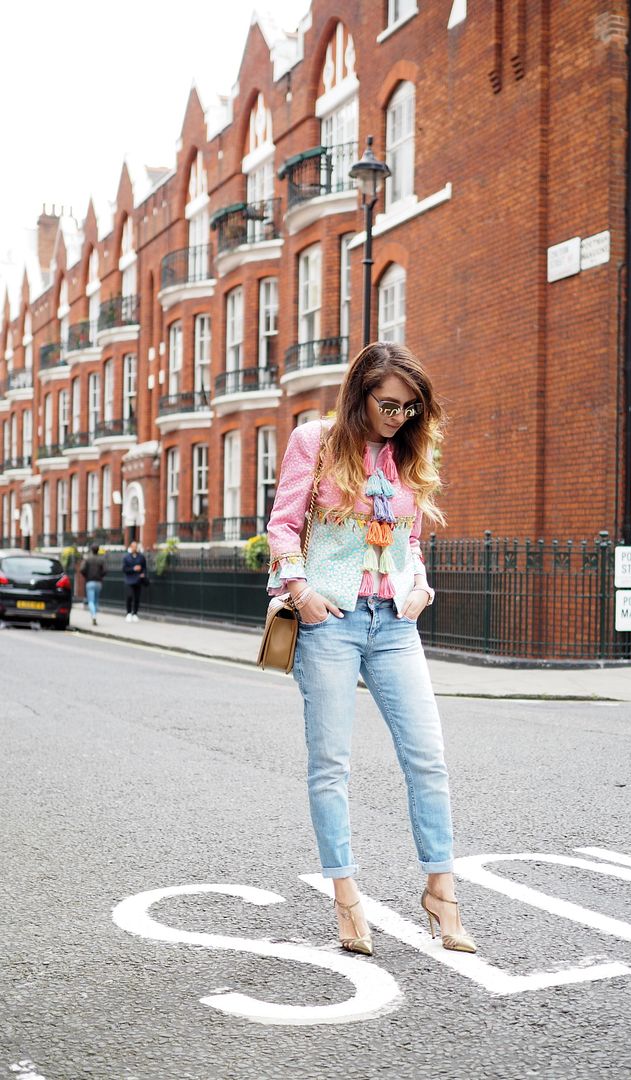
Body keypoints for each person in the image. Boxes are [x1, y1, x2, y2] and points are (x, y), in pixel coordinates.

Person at [266, 341, 476, 957]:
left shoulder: (407, 452)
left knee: (428, 758)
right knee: (332, 765)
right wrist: (299, 590)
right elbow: (283, 523)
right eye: (389, 404)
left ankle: (441, 890)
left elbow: (408, 536)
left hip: (395, 626)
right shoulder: (315, 441)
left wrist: (421, 586)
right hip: (329, 621)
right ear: (360, 393)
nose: (398, 417)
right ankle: (347, 897)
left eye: (411, 409)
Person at [79, 543, 106, 626]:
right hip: (98, 582)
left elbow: (82, 569)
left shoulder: (87, 559)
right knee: (96, 601)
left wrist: (86, 576)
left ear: (91, 550)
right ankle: (95, 614)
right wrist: (100, 576)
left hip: (90, 582)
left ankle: (93, 616)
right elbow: (105, 571)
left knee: (91, 601)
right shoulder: (101, 560)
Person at [122, 539, 147, 622]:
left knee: (137, 597)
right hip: (129, 579)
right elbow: (124, 569)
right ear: (130, 547)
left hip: (138, 579)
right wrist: (133, 569)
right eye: (133, 546)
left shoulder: (141, 557)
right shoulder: (126, 557)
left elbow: (144, 568)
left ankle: (135, 613)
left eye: (136, 547)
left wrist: (143, 574)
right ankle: (128, 613)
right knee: (129, 596)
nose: (134, 548)